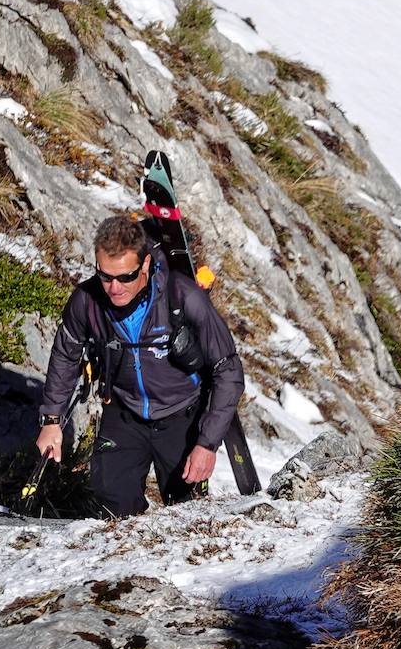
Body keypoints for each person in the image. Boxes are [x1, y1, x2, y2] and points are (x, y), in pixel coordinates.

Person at [34, 214, 246, 516]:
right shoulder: (86, 302)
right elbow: (65, 356)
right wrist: (51, 421)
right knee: (109, 512)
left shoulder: (183, 296)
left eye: (125, 277)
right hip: (124, 413)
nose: (114, 288)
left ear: (145, 265)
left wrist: (207, 444)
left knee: (186, 515)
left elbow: (227, 369)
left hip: (181, 416)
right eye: (105, 276)